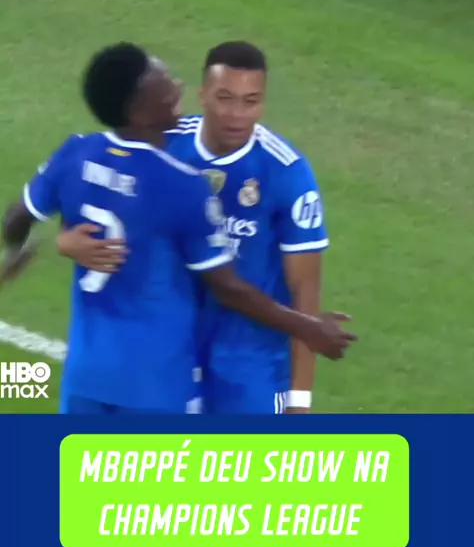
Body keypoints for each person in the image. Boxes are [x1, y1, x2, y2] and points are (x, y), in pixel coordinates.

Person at [1, 42, 355, 415]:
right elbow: (227, 288)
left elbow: (304, 285)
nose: (176, 87)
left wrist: (299, 398)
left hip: (231, 365)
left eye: (251, 101)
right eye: (224, 98)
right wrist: (309, 329)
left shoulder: (286, 172)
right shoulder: (180, 172)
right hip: (165, 372)